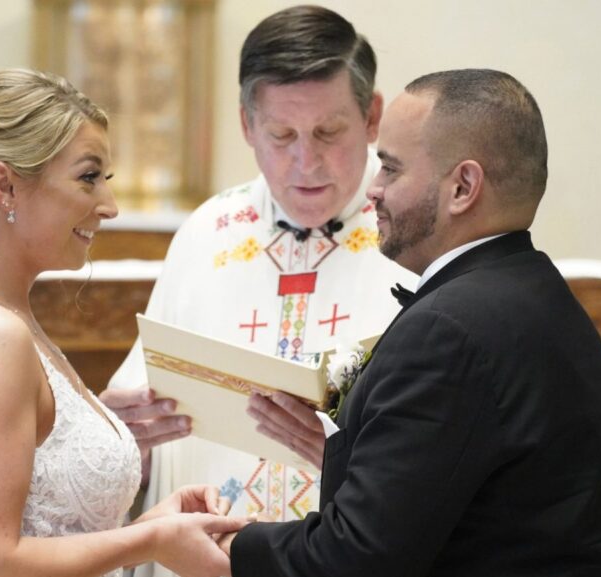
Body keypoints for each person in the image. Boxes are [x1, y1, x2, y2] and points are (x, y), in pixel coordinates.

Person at [222, 69, 601, 576]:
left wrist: (226, 548)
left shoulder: (449, 330)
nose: (373, 190)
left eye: (391, 170)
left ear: (463, 187)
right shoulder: (536, 291)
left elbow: (356, 560)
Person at [0, 69, 246, 577]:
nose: (110, 206)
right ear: (5, 185)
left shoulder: (3, 317)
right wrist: (154, 539)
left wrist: (156, 525)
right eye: (87, 177)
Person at [100, 3, 418, 550]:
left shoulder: (414, 235)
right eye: (281, 134)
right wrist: (125, 436)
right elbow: (140, 415)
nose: (306, 162)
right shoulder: (207, 234)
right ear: (247, 124)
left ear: (371, 117)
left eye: (328, 131)